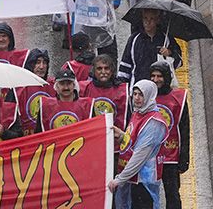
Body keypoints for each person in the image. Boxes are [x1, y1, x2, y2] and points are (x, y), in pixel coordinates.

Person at [109, 80, 169, 208]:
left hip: (143, 182)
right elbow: (132, 142)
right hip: (132, 179)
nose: (136, 98)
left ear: (149, 96)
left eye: (141, 94)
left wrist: (119, 179)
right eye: (135, 94)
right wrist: (121, 135)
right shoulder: (139, 113)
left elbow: (140, 156)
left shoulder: (154, 123)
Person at [150, 62, 190, 208]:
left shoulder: (178, 98)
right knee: (146, 195)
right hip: (149, 155)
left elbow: (184, 129)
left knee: (172, 194)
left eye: (159, 76)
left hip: (170, 156)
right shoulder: (144, 96)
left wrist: (184, 158)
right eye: (153, 76)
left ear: (166, 77)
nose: (155, 80)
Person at [120, 8, 183, 86]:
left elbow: (179, 62)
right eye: (145, 18)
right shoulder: (134, 39)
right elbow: (125, 65)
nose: (148, 22)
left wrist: (170, 53)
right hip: (139, 88)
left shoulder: (166, 39)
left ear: (157, 20)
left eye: (152, 18)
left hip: (160, 90)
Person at [81, 54, 130, 132]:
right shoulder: (85, 88)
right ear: (94, 71)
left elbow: (126, 120)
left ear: (111, 70)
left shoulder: (122, 90)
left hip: (114, 136)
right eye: (99, 69)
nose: (103, 72)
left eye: (106, 68)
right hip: (92, 135)